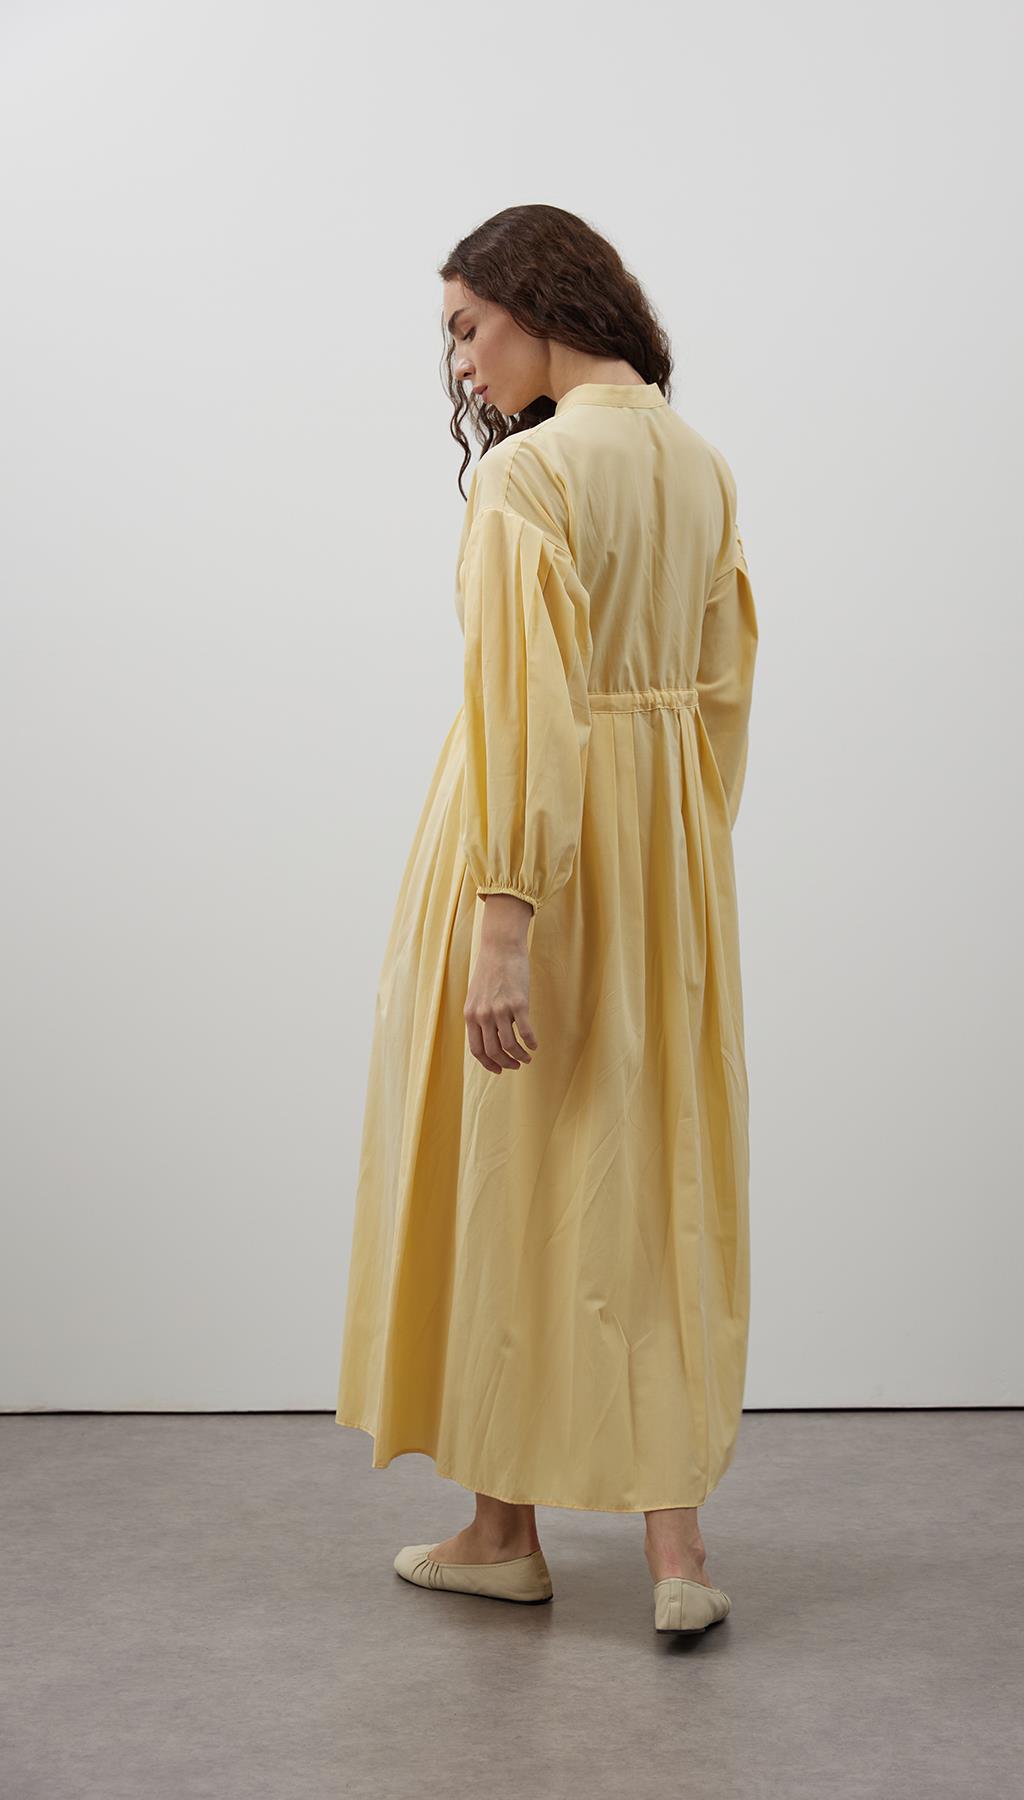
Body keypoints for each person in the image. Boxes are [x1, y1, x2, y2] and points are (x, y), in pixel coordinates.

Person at [336, 204, 759, 1636]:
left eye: (468, 326)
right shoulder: (697, 464)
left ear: (536, 298)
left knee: (507, 1172)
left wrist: (503, 925)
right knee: (654, 1172)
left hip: (527, 863)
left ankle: (501, 1530)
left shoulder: (530, 477)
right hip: (662, 872)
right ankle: (673, 1555)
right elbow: (722, 698)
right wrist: (673, 859)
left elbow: (522, 707)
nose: (462, 363)